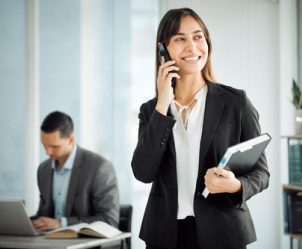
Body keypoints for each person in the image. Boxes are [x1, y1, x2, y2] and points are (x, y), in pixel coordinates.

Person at [131, 7, 270, 249]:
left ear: (207, 43)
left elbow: (261, 174)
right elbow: (143, 172)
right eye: (180, 39)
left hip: (223, 232)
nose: (192, 47)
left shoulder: (236, 102)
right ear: (162, 49)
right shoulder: (151, 110)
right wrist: (163, 104)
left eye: (198, 37)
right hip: (165, 236)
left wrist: (235, 185)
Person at [32, 111, 119, 231]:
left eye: (54, 146)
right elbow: (44, 214)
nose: (48, 152)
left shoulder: (99, 167)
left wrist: (61, 223)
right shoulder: (43, 169)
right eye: (44, 145)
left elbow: (109, 220)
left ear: (71, 139)